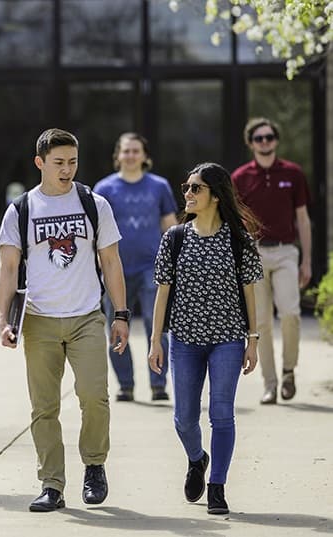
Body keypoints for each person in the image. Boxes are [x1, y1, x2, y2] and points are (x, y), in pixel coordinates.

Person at [0, 128, 129, 512]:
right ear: (40, 163)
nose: (67, 170)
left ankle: (94, 465)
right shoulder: (21, 210)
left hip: (87, 316)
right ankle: (51, 485)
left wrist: (120, 314)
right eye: (58, 163)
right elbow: (7, 268)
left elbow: (110, 261)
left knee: (94, 395)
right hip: (39, 320)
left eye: (72, 161)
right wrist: (4, 319)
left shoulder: (94, 204)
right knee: (44, 407)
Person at [149, 162, 262, 516]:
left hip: (227, 339)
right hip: (184, 340)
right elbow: (162, 292)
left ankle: (217, 485)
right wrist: (156, 341)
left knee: (222, 414)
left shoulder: (238, 238)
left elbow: (249, 292)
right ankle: (197, 458)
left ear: (215, 195)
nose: (188, 194)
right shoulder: (176, 237)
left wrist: (253, 339)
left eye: (195, 188)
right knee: (183, 418)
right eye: (186, 187)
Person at [231, 117, 311, 405]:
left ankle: (289, 371)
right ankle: (270, 384)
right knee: (261, 321)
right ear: (251, 143)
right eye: (258, 138)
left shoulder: (293, 173)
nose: (264, 142)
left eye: (268, 137)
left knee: (290, 313)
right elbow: (236, 221)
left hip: (287, 250)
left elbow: (303, 218)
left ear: (276, 140)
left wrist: (307, 261)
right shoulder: (240, 177)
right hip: (254, 252)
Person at [94, 132, 177, 402]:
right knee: (116, 328)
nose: (130, 155)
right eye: (126, 151)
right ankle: (126, 385)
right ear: (118, 156)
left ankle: (158, 384)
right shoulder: (104, 189)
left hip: (152, 268)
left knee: (157, 327)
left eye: (135, 151)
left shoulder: (159, 186)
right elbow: (95, 232)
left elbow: (169, 225)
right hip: (115, 269)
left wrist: (176, 262)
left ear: (145, 156)